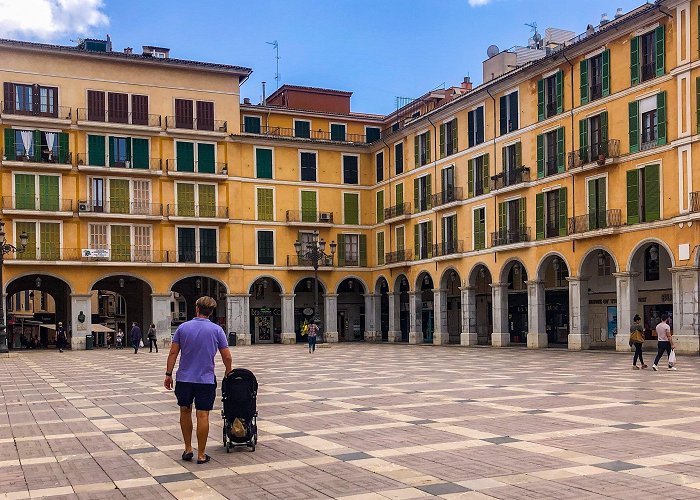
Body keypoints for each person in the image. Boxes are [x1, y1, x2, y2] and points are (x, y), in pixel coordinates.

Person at [164, 296, 232, 465]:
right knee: (203, 415)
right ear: (211, 311)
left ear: (196, 308)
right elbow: (227, 356)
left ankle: (188, 448)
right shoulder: (217, 330)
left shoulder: (183, 328)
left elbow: (173, 353)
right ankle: (201, 454)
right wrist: (228, 372)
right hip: (206, 380)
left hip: (185, 379)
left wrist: (168, 374)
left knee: (185, 411)